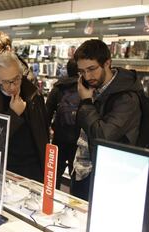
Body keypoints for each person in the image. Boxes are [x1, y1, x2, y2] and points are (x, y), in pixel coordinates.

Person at [72, 39, 143, 200]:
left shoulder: (126, 98)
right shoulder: (93, 89)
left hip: (108, 176)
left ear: (107, 63)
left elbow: (102, 136)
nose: (87, 76)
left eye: (92, 69)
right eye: (82, 71)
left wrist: (85, 103)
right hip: (83, 170)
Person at [0, 52, 49, 182]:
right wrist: (14, 114)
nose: (13, 86)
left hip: (34, 168)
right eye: (6, 82)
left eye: (17, 79)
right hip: (3, 168)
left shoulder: (34, 96)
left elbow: (43, 135)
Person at [46, 59, 81, 189]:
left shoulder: (58, 87)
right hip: (77, 141)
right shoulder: (84, 87)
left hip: (59, 138)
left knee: (55, 173)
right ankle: (74, 203)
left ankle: (52, 200)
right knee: (76, 174)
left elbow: (47, 113)